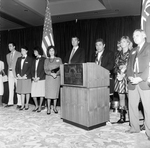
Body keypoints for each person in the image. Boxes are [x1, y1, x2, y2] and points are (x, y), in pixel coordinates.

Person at [126, 29, 150, 141]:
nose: (134, 38)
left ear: (144, 35)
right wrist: (130, 76)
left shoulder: (149, 47)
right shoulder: (133, 51)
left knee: (147, 108)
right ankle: (134, 127)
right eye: (133, 36)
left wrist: (140, 78)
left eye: (137, 35)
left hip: (144, 81)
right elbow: (129, 65)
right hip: (133, 82)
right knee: (132, 106)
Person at [114, 36, 132, 123]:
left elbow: (132, 66)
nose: (122, 43)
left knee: (130, 97)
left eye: (124, 41)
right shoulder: (118, 54)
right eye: (121, 42)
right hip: (119, 76)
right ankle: (122, 116)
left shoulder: (131, 53)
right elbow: (115, 66)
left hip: (128, 77)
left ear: (128, 43)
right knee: (121, 96)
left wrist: (124, 71)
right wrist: (118, 72)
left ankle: (132, 116)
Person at [44, 46, 62, 115]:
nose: (51, 52)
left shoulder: (58, 59)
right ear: (48, 52)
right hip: (49, 78)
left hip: (56, 78)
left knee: (55, 94)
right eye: (50, 50)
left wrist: (56, 74)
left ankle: (54, 107)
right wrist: (51, 74)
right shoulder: (46, 60)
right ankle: (48, 108)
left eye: (53, 50)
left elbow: (61, 68)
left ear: (55, 51)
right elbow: (45, 70)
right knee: (49, 94)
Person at [15, 46, 32, 110]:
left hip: (26, 77)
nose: (22, 51)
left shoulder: (30, 59)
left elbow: (30, 68)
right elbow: (16, 68)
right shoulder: (19, 59)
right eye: (21, 50)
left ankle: (27, 104)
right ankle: (22, 105)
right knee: (22, 91)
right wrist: (18, 75)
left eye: (23, 50)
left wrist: (25, 75)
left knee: (27, 91)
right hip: (20, 77)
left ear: (26, 51)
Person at [6, 42, 21, 108]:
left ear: (14, 47)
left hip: (16, 72)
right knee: (10, 88)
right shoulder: (7, 55)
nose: (9, 47)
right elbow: (9, 65)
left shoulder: (19, 54)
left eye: (11, 46)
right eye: (9, 46)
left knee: (18, 88)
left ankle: (19, 103)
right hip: (10, 72)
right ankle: (10, 102)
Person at [31, 47, 46, 112]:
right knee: (33, 92)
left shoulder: (44, 59)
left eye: (35, 51)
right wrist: (33, 77)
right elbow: (31, 70)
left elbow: (44, 69)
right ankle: (36, 105)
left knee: (41, 93)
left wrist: (39, 77)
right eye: (34, 52)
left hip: (41, 78)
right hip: (34, 78)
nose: (34, 53)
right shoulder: (34, 60)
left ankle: (40, 106)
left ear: (38, 51)